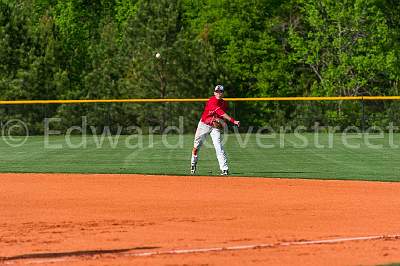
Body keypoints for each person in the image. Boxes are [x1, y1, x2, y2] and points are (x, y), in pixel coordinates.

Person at [190, 85, 240, 176]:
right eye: (217, 91)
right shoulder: (211, 101)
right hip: (204, 125)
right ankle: (193, 163)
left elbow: (221, 117)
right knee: (196, 147)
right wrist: (233, 121)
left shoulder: (224, 103)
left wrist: (219, 123)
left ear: (223, 93)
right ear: (214, 93)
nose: (219, 93)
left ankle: (224, 169)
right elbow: (220, 112)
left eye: (221, 92)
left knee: (219, 147)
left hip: (214, 127)